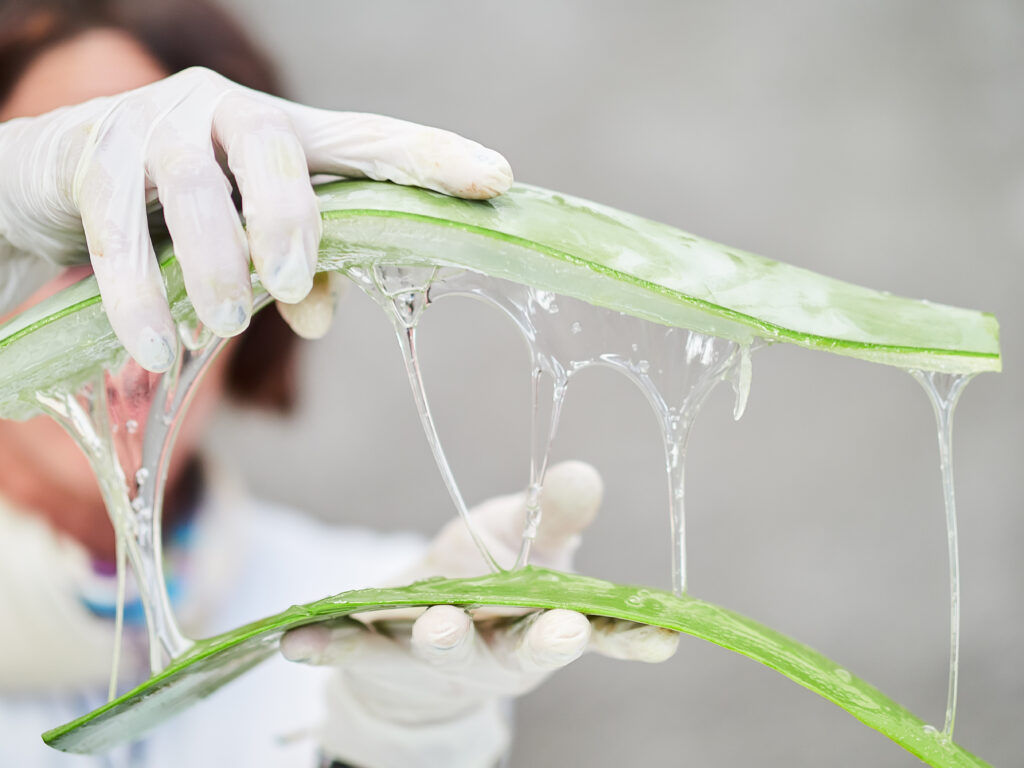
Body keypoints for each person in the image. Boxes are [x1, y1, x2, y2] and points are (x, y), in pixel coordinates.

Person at [0, 2, 679, 766]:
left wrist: (402, 739)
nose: (131, 310)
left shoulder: (373, 604)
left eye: (179, 233)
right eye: (74, 228)